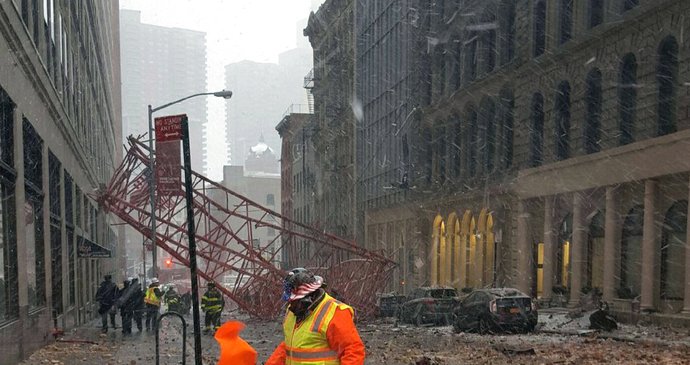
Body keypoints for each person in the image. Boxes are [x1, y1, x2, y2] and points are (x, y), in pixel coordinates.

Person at [265, 268, 365, 365]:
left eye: (294, 301)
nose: (291, 304)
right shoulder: (293, 311)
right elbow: (288, 346)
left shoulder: (335, 312)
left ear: (306, 299)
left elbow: (353, 350)